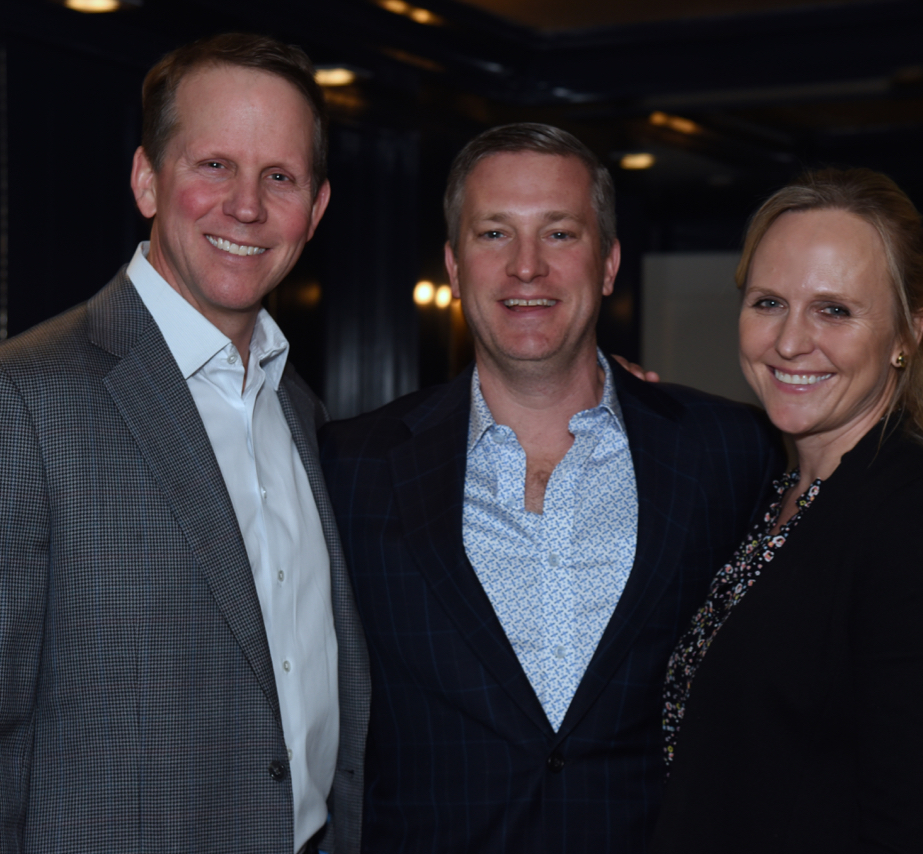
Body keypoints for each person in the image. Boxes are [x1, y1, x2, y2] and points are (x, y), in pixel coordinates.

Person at [0, 34, 368, 854]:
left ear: (314, 210)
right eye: (214, 165)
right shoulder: (12, 402)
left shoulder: (304, 414)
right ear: (146, 179)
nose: (246, 205)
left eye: (280, 176)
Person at [318, 123, 781, 852]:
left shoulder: (729, 452)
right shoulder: (351, 466)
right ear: (455, 265)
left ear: (608, 263)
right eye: (494, 234)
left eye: (560, 234)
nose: (526, 267)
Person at [651, 168, 923, 852]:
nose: (789, 342)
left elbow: (919, 824)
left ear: (908, 332)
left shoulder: (922, 521)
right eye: (768, 302)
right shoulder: (780, 493)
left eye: (834, 310)